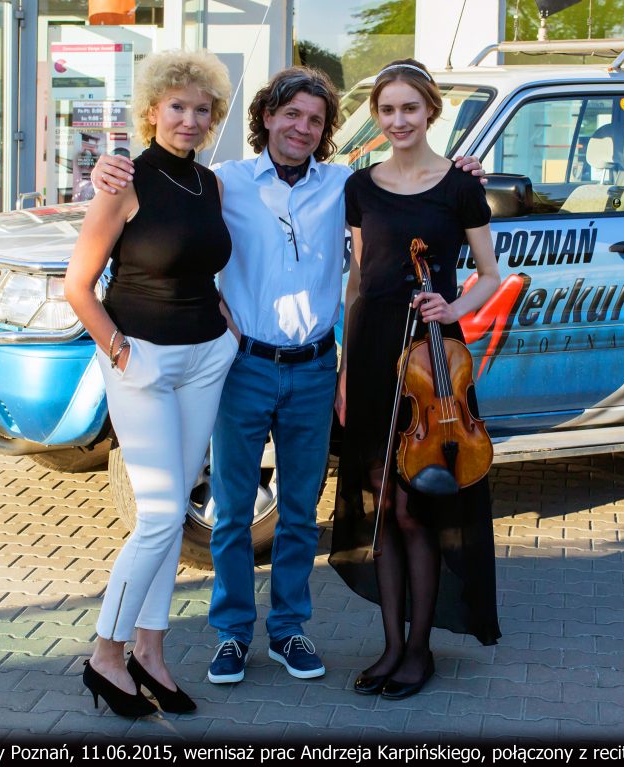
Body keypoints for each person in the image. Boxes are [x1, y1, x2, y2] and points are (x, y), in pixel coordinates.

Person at [91, 67, 484, 686]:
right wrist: (107, 171)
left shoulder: (347, 187)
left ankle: (289, 630)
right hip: (242, 366)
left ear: (326, 131)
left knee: (301, 511)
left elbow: (414, 196)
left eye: (315, 119)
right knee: (231, 513)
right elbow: (162, 205)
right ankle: (230, 634)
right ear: (267, 118)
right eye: (290, 114)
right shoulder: (223, 183)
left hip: (313, 369)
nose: (302, 127)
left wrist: (465, 173)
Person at [65, 49, 236, 717]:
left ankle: (151, 652)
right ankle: (106, 654)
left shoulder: (212, 183)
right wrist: (118, 350)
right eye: (177, 107)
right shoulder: (123, 179)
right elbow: (78, 287)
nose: (189, 119)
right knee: (164, 514)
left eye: (201, 109)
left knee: (166, 524)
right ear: (152, 110)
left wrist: (226, 324)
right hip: (143, 360)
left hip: (206, 358)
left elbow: (205, 264)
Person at [329, 58, 502, 700]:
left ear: (430, 111)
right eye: (387, 110)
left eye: (409, 108)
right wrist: (347, 370)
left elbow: (489, 273)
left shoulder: (459, 187)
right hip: (374, 354)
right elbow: (357, 279)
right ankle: (391, 646)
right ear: (375, 117)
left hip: (434, 366)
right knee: (379, 506)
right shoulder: (360, 187)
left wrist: (452, 309)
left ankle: (420, 648)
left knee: (414, 507)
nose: (398, 120)